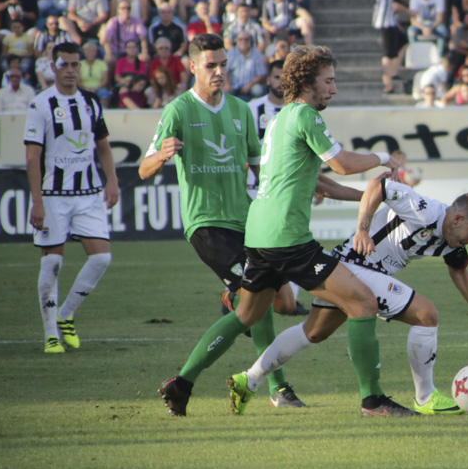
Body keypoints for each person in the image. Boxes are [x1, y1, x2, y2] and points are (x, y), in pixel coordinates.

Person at [164, 45, 412, 417]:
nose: (334, 89)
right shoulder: (306, 117)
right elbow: (343, 164)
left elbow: (322, 184)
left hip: (259, 236)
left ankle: (181, 383)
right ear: (309, 83)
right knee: (363, 303)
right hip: (287, 239)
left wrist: (374, 197)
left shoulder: (281, 119)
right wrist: (383, 159)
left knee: (246, 315)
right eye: (329, 81)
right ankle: (373, 400)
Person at [145, 35, 336, 416]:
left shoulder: (240, 110)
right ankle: (276, 387)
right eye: (211, 65)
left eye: (223, 65)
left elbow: (263, 168)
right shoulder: (178, 111)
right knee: (259, 304)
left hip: (249, 220)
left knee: (282, 302)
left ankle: (194, 370)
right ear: (193, 67)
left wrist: (303, 187)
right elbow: (143, 167)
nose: (218, 72)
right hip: (208, 225)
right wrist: (162, 156)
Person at [229, 176, 468, 415]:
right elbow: (379, 186)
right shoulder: (424, 210)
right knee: (427, 314)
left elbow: (460, 272)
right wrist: (362, 230)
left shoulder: (452, 239)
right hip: (354, 265)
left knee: (313, 332)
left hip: (351, 270)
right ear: (458, 218)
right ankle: (425, 397)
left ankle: (249, 379)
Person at [24, 42, 118, 354]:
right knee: (52, 262)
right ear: (53, 67)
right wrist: (37, 201)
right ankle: (50, 333)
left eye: (75, 65)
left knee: (102, 257)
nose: (70, 70)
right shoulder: (40, 105)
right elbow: (32, 157)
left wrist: (112, 181)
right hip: (53, 196)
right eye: (64, 64)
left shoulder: (91, 101)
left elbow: (103, 146)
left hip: (89, 193)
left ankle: (65, 315)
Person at [372, 0, 413, 95]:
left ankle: (394, 72)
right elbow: (395, 5)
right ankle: (388, 85)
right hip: (386, 23)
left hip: (388, 21)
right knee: (388, 54)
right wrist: (410, 12)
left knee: (404, 42)